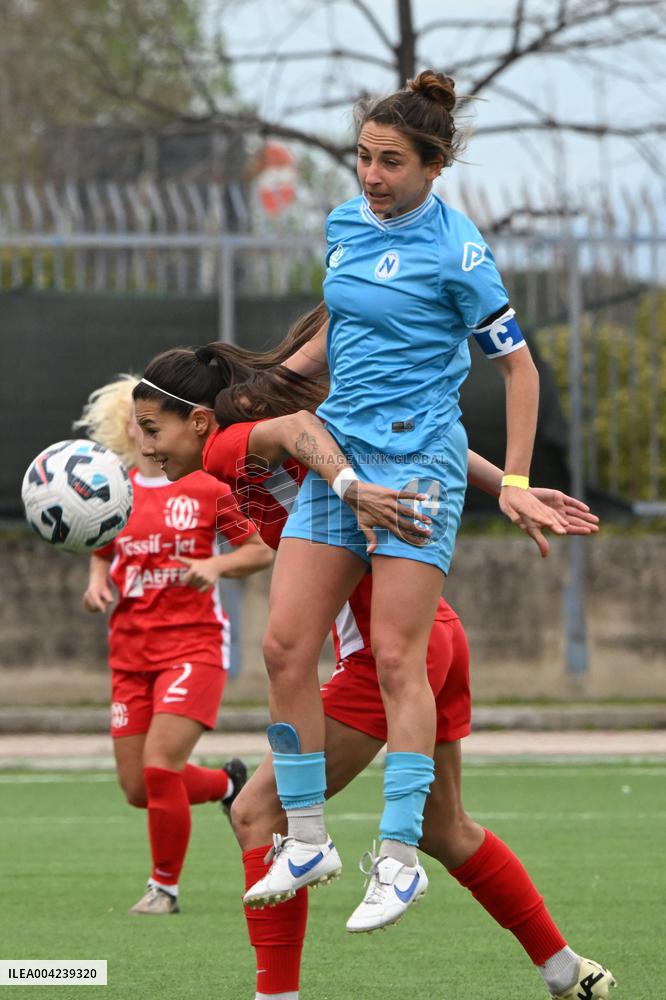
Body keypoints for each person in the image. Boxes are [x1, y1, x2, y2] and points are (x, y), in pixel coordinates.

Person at [129, 352, 614, 1000]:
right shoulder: (281, 447)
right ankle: (567, 973)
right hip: (435, 637)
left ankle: (276, 996)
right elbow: (412, 440)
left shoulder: (233, 448)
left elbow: (295, 428)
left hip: (387, 656)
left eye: (152, 430)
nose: (146, 448)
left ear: (197, 420)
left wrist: (354, 487)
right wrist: (505, 485)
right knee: (448, 829)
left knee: (258, 809)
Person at [241, 69, 571, 929]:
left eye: (390, 162)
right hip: (341, 450)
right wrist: (250, 389)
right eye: (362, 157)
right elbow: (337, 337)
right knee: (283, 646)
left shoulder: (460, 251)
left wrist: (520, 484)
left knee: (396, 658)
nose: (370, 175)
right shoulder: (346, 225)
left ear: (433, 168)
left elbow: (520, 368)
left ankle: (396, 859)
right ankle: (307, 835)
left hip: (419, 461)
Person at [75, 375, 274, 916]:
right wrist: (98, 580)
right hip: (129, 653)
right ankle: (227, 784)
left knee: (161, 766)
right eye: (135, 424)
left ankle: (164, 888)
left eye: (151, 424)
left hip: (194, 646)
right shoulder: (115, 492)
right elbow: (100, 546)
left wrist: (214, 564)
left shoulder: (207, 485)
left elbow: (259, 552)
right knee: (138, 787)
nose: (144, 435)